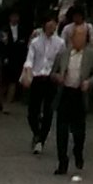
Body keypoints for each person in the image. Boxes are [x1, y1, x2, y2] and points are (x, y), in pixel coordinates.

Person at [52, 9, 93, 181]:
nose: (79, 40)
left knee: (79, 131)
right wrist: (58, 77)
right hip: (65, 93)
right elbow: (54, 71)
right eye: (77, 37)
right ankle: (62, 161)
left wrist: (89, 82)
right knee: (61, 130)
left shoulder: (91, 54)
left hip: (80, 94)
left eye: (82, 37)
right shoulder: (63, 53)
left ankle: (78, 151)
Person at [20, 16, 60, 158]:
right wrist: (28, 73)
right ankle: (36, 133)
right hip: (37, 78)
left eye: (53, 25)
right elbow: (29, 59)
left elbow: (62, 60)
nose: (51, 28)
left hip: (51, 78)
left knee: (48, 111)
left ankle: (41, 139)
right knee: (33, 111)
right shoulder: (35, 42)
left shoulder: (60, 43)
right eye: (49, 25)